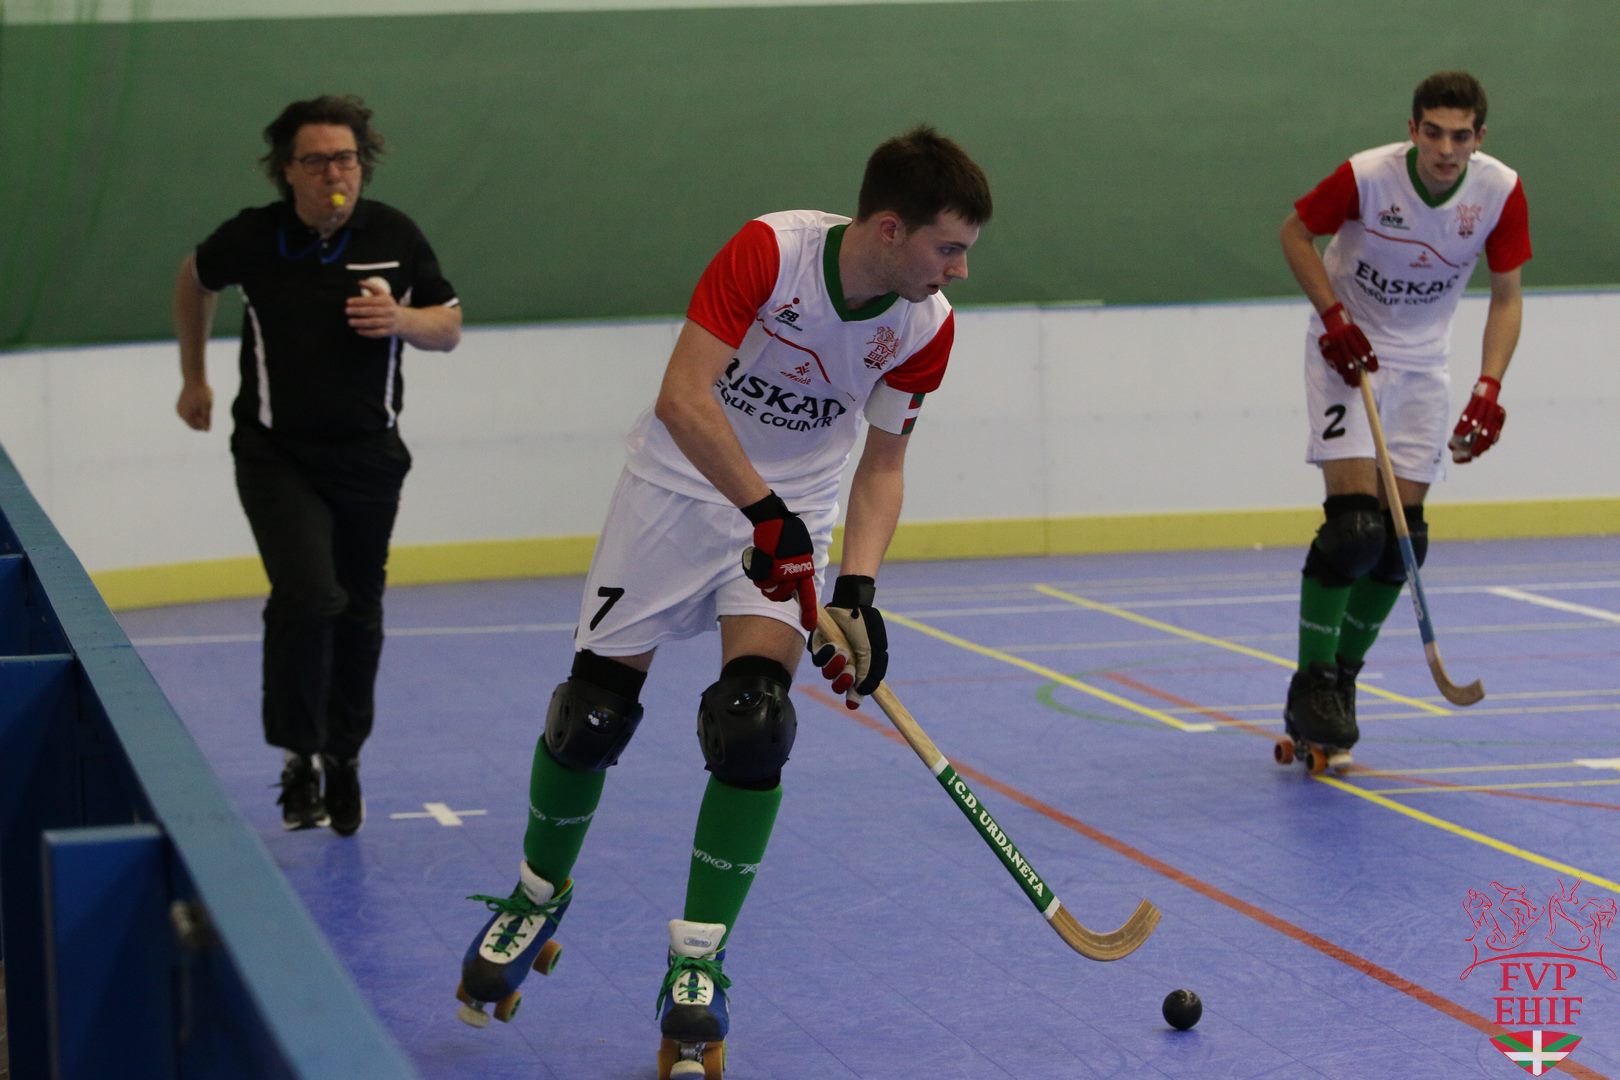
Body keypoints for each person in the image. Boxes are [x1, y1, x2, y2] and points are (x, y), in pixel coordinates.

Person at [453, 126, 991, 1075]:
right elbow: (683, 397)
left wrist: (857, 592)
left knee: (753, 723)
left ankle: (698, 962)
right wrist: (762, 514)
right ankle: (535, 897)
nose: (958, 270)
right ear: (889, 228)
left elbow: (883, 465)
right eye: (947, 248)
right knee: (590, 716)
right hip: (674, 490)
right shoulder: (771, 253)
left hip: (796, 509)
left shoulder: (926, 325)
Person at [172, 95, 462, 835]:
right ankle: (298, 754)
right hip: (277, 455)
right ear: (287, 171)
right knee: (309, 596)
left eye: (346, 159)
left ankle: (343, 756)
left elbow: (448, 325)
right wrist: (194, 376)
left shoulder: (393, 235)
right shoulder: (255, 237)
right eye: (317, 161)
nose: (335, 174)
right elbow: (194, 279)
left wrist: (401, 319)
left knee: (360, 610)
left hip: (370, 458)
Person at [1278, 71, 1530, 755]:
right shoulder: (1367, 176)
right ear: (1412, 129)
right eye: (1433, 133)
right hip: (1347, 353)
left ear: (1479, 137)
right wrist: (1334, 317)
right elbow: (1296, 234)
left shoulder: (1500, 191)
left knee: (1401, 544)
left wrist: (1489, 387)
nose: (1446, 150)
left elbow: (1507, 296)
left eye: (1461, 136)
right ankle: (1310, 682)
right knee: (1355, 531)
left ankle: (1343, 680)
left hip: (1423, 363)